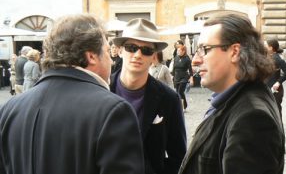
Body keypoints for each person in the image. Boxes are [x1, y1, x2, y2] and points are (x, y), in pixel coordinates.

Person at [0, 14, 144, 174]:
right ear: (91, 56)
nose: (111, 61)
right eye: (107, 52)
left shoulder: (9, 109)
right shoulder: (113, 111)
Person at [178, 13, 285, 174]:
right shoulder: (234, 100)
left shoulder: (252, 118)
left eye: (204, 50)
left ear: (234, 52)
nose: (195, 60)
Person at [110, 18, 187, 174]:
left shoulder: (169, 99)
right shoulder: (102, 89)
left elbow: (178, 156)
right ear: (120, 51)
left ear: (153, 56)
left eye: (146, 50)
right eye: (131, 47)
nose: (138, 54)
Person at [266, 38, 286, 118]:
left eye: (266, 45)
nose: (265, 47)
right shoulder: (269, 56)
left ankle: (279, 129)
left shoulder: (277, 58)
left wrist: (278, 82)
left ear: (271, 47)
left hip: (276, 91)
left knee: (276, 113)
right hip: (269, 89)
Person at [172, 44, 193, 111]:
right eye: (177, 50)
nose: (177, 52)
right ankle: (184, 105)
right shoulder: (176, 57)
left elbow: (190, 69)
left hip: (184, 77)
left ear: (183, 51)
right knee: (178, 92)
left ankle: (181, 107)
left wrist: (191, 78)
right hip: (177, 77)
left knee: (180, 91)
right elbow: (174, 68)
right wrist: (172, 75)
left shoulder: (187, 59)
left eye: (179, 50)